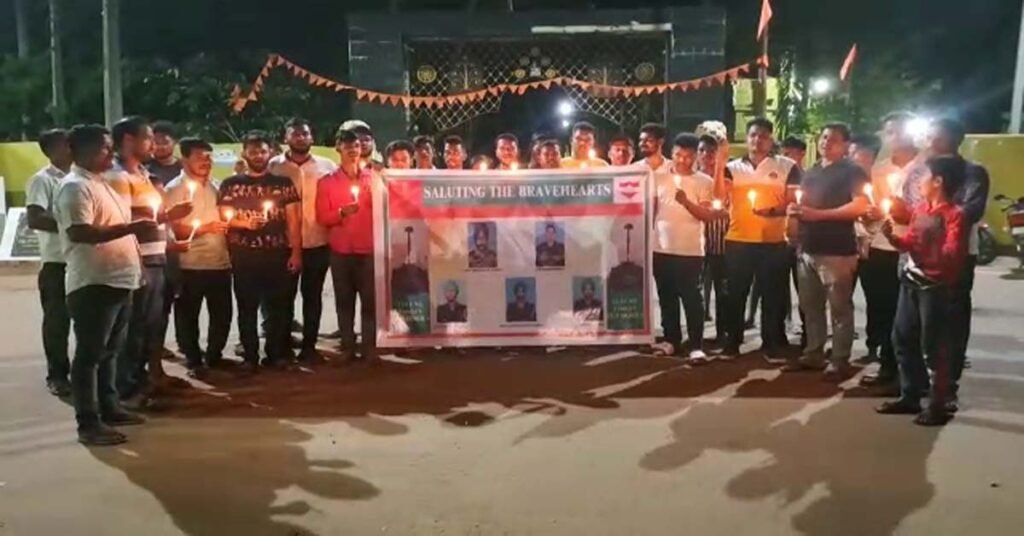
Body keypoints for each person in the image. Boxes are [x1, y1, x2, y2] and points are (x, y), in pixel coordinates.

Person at [54, 124, 156, 445]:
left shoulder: (100, 183)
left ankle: (109, 407)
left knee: (110, 352)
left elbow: (119, 227)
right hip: (94, 283)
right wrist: (132, 228)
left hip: (119, 279)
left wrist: (137, 265)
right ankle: (88, 423)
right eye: (104, 148)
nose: (111, 153)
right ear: (82, 150)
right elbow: (79, 232)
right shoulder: (74, 188)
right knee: (90, 355)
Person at [875, 156, 969, 426]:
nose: (919, 182)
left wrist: (927, 257)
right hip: (911, 283)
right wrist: (893, 237)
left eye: (924, 177)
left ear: (938, 181)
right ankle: (910, 396)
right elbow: (910, 241)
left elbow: (953, 254)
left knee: (933, 347)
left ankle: (937, 405)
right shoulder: (921, 209)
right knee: (903, 339)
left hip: (935, 288)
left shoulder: (954, 215)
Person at [107, 116, 191, 409]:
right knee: (132, 329)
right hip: (136, 260)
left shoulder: (142, 173)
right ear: (129, 140)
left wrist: (168, 231)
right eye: (148, 138)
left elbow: (150, 216)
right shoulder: (117, 176)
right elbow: (121, 221)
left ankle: (143, 380)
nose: (153, 144)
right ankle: (125, 391)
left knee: (149, 326)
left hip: (156, 258)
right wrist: (167, 216)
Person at [784, 123, 869, 380]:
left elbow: (860, 205)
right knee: (811, 306)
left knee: (839, 308)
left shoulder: (852, 171)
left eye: (833, 139)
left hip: (837, 250)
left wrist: (818, 215)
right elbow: (802, 204)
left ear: (845, 145)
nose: (826, 142)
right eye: (823, 137)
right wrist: (794, 216)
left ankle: (840, 359)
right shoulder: (812, 171)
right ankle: (814, 353)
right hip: (808, 248)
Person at [717, 118, 801, 359]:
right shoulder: (733, 168)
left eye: (763, 136)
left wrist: (773, 211)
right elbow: (719, 196)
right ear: (747, 138)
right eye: (753, 135)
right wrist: (719, 163)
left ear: (771, 139)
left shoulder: (787, 166)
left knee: (772, 295)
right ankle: (732, 342)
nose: (758, 140)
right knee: (735, 294)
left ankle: (771, 343)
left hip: (773, 242)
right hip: (738, 240)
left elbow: (794, 202)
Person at [220, 131, 302, 373]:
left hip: (276, 253)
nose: (258, 156)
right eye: (253, 151)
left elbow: (293, 221)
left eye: (263, 151)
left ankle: (275, 354)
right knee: (247, 307)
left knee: (277, 307)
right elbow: (223, 218)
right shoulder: (231, 185)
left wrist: (296, 253)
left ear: (270, 153)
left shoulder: (283, 184)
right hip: (244, 255)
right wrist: (244, 223)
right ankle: (250, 355)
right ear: (244, 153)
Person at [859, 112, 929, 390]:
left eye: (901, 131)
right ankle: (887, 366)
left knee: (910, 317)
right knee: (882, 310)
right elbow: (875, 207)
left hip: (914, 249)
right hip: (882, 246)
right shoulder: (879, 169)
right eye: (889, 132)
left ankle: (912, 375)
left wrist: (908, 214)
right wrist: (872, 214)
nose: (895, 137)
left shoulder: (927, 167)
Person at [926, 118, 990, 411]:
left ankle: (947, 386)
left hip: (956, 256)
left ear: (950, 139)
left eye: (934, 136)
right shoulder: (923, 170)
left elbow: (970, 210)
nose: (928, 141)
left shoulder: (972, 172)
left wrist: (932, 216)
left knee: (950, 321)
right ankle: (916, 383)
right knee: (918, 323)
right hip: (919, 254)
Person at [267, 118, 338, 362]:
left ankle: (309, 347)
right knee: (283, 298)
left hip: (318, 241)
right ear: (286, 138)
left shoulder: (326, 166)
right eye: (295, 134)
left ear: (312, 137)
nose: (300, 138)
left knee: (313, 297)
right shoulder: (274, 166)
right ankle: (283, 346)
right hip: (284, 244)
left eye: (304, 134)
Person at [165, 138, 232, 377]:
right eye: (200, 157)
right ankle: (193, 359)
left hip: (220, 261)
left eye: (209, 157)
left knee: (222, 313)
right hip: (190, 263)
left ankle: (214, 355)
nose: (206, 162)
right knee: (188, 314)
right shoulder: (175, 190)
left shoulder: (216, 186)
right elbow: (172, 228)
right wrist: (205, 228)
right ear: (184, 160)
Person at [651, 133, 716, 362]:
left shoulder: (704, 182)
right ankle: (671, 340)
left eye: (688, 156)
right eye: (678, 155)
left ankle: (696, 345)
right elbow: (652, 210)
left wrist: (686, 202)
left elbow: (706, 215)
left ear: (695, 156)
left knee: (691, 298)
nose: (683, 160)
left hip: (690, 251)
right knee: (666, 296)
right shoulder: (658, 178)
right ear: (672, 153)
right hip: (661, 248)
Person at [317, 128, 378, 363]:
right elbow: (322, 217)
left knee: (370, 302)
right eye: (348, 146)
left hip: (368, 250)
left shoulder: (374, 178)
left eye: (357, 146)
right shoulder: (327, 182)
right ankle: (348, 345)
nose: (353, 150)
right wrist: (341, 212)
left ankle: (369, 346)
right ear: (338, 148)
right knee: (344, 301)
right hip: (341, 251)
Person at [25, 129, 73, 397]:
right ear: (54, 149)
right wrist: (73, 226)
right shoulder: (42, 180)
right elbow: (35, 218)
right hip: (57, 263)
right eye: (68, 144)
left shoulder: (78, 176)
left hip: (83, 261)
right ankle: (57, 375)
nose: (73, 147)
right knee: (57, 322)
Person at [696, 133, 729, 345]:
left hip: (722, 243)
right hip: (697, 245)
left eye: (711, 151)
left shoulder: (726, 178)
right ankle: (697, 333)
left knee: (723, 291)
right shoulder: (692, 179)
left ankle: (722, 333)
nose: (706, 155)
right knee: (697, 290)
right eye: (702, 150)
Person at [147, 121, 183, 187]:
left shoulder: (184, 168)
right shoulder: (144, 168)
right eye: (156, 143)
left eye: (165, 142)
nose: (161, 147)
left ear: (175, 142)